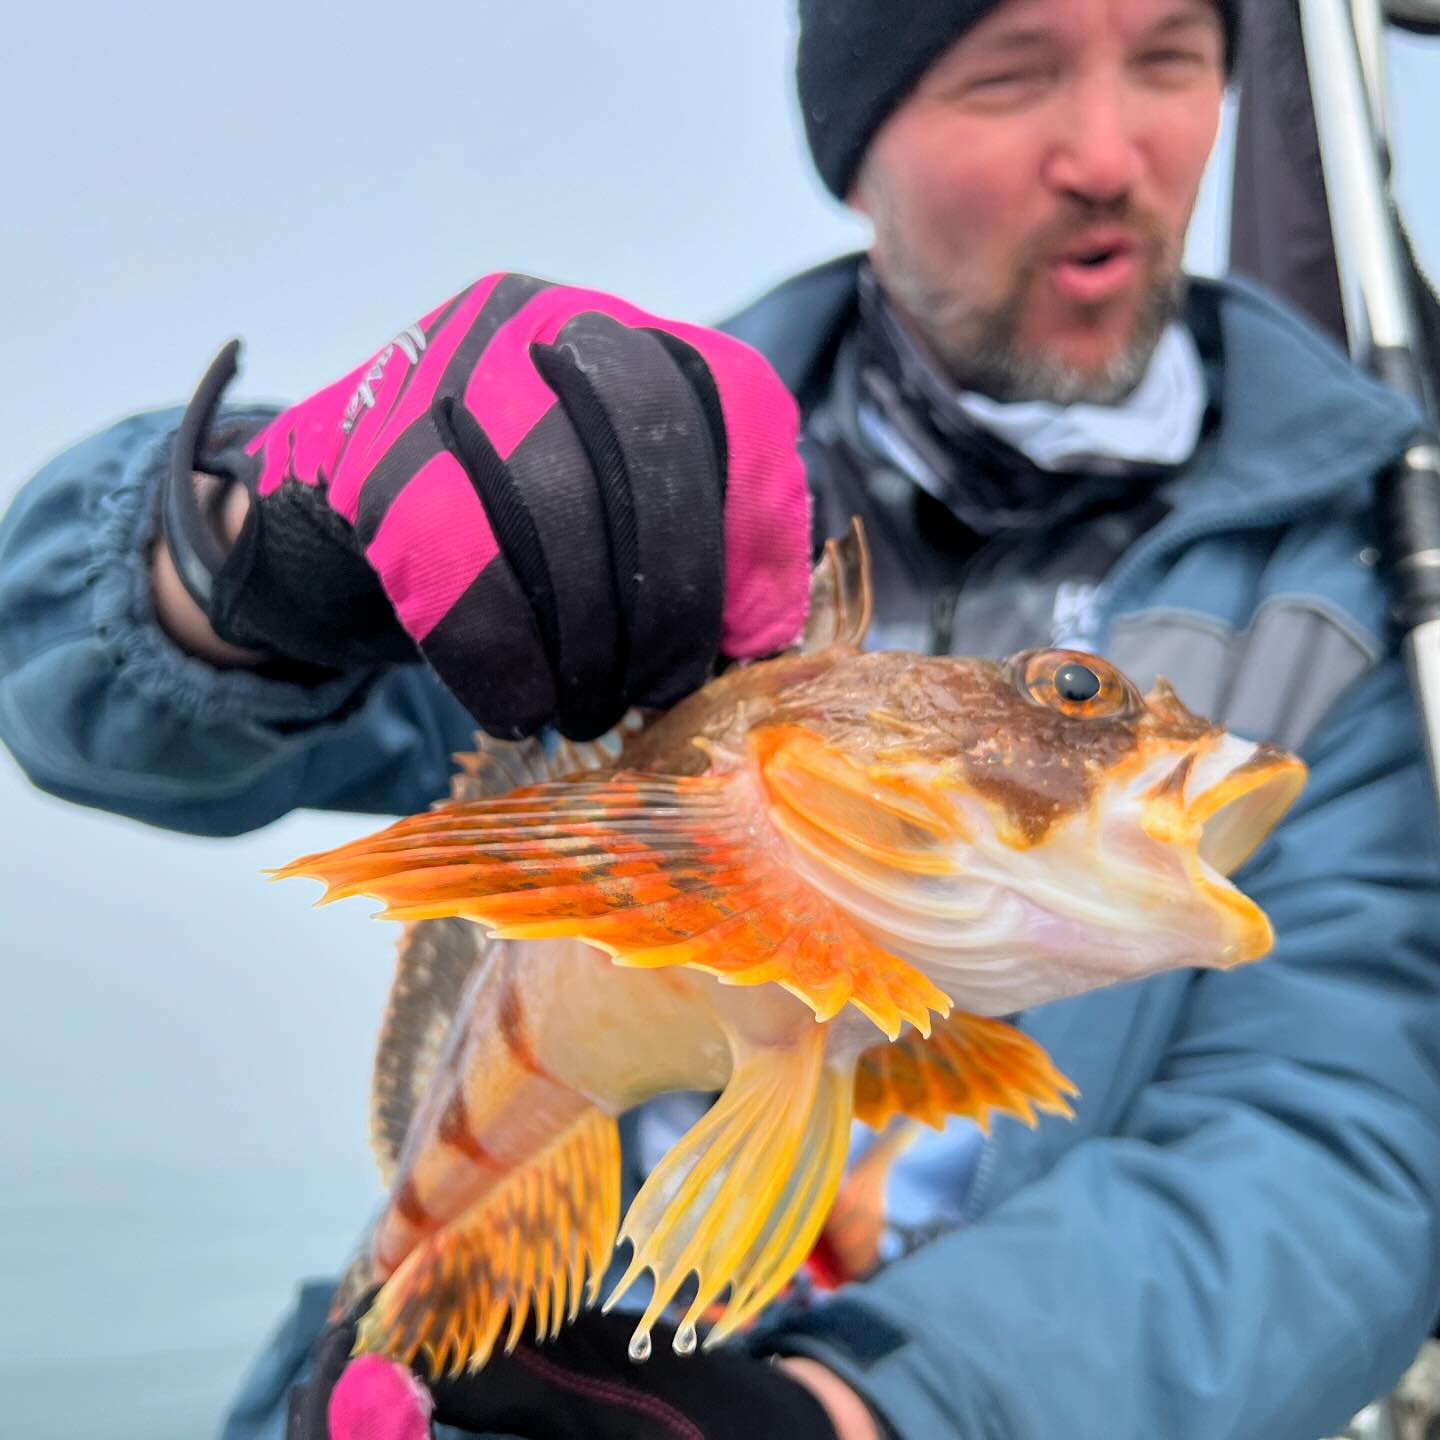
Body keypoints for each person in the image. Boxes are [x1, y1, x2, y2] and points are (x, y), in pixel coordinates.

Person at [3, 0, 1439, 1436]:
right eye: (1012, 77)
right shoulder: (640, 501)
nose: (1110, 152)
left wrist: (853, 1416)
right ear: (858, 152)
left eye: (1174, 60)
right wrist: (240, 547)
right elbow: (76, 706)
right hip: (503, 1327)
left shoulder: (1356, 592)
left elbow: (1338, 1133)